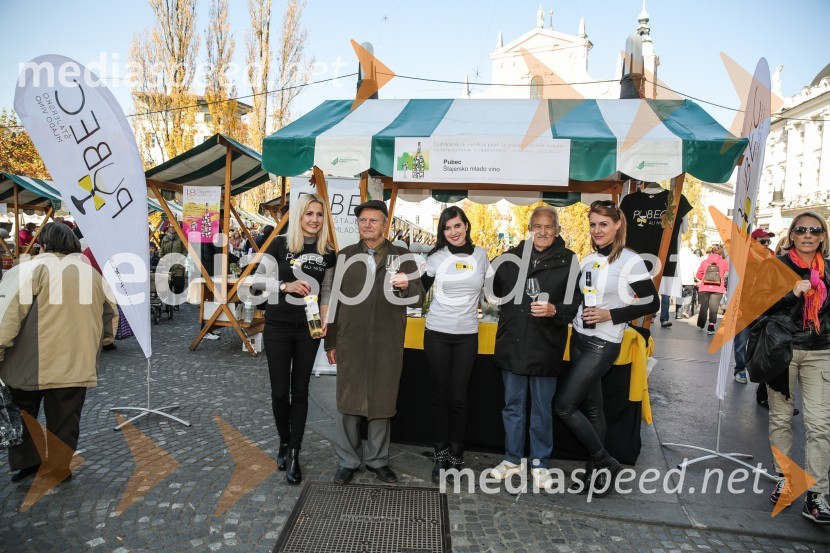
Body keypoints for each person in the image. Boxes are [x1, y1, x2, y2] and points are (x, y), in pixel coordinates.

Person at [555, 200, 659, 497]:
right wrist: (554, 312)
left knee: (564, 405)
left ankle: (605, 461)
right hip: (579, 338)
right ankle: (594, 473)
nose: (597, 230)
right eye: (593, 224)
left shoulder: (630, 261)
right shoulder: (587, 260)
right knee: (592, 407)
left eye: (603, 224)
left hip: (604, 342)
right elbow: (576, 301)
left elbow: (652, 303)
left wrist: (611, 315)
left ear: (617, 225)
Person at [0, 223, 116, 484]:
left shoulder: (28, 269)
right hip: (76, 362)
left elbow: (6, 317)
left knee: (24, 412)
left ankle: (27, 462)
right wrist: (98, 342)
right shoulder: (92, 275)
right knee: (66, 418)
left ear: (44, 243)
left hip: (27, 363)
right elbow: (110, 317)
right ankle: (59, 468)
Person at [324, 199, 424, 485]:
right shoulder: (344, 256)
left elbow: (418, 297)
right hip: (350, 340)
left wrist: (407, 286)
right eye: (363, 220)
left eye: (373, 220)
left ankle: (378, 461)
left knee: (381, 403)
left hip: (386, 342)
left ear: (385, 225)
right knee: (347, 403)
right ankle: (347, 460)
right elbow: (334, 303)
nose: (367, 225)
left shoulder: (402, 256)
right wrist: (330, 342)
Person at [488, 205, 581, 490]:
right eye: (537, 227)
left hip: (545, 345)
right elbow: (491, 291)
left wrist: (555, 310)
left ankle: (540, 462)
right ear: (530, 229)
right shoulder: (511, 258)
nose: (542, 232)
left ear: (557, 230)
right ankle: (512, 457)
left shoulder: (569, 260)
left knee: (541, 409)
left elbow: (575, 303)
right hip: (513, 344)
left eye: (548, 227)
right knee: (512, 407)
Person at [754, 211, 830, 523]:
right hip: (781, 352)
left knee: (819, 425)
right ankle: (786, 479)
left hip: (819, 352)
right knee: (781, 420)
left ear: (822, 236)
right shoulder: (776, 266)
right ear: (793, 235)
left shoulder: (828, 271)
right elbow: (757, 303)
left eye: (814, 230)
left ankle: (817, 493)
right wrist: (791, 293)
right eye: (801, 230)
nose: (808, 235)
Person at [260, 193, 337, 485]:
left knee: (301, 390)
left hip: (309, 329)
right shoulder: (279, 243)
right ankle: (283, 439)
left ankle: (294, 451)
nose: (315, 219)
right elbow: (257, 280)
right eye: (309, 214)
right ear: (299, 216)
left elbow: (327, 289)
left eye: (319, 214)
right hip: (277, 326)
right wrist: (285, 285)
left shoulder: (327, 250)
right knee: (280, 392)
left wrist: (325, 316)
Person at [421, 206, 492, 483]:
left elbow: (493, 293)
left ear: (466, 226)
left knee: (460, 399)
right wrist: (399, 284)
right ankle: (440, 456)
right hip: (437, 332)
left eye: (457, 226)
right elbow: (418, 290)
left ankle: (456, 455)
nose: (453, 232)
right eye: (447, 228)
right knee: (440, 398)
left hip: (467, 335)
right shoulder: (436, 257)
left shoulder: (482, 255)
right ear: (443, 231)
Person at [733, 229, 775, 384]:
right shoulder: (743, 259)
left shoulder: (773, 258)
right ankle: (740, 370)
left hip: (765, 308)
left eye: (767, 241)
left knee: (763, 344)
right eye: (762, 241)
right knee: (741, 343)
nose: (766, 244)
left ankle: (761, 374)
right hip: (744, 307)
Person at [695, 245, 729, 335]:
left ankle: (701, 324)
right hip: (718, 288)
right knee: (714, 309)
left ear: (711, 252)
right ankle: (711, 327)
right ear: (720, 253)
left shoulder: (704, 262)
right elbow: (728, 272)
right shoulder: (724, 262)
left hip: (704, 287)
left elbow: (698, 275)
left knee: (704, 307)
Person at [159, 224, 187, 310]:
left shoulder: (181, 238)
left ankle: (177, 301)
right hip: (167, 266)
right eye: (171, 227)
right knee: (168, 285)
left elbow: (185, 251)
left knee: (178, 285)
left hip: (178, 266)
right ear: (169, 228)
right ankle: (170, 303)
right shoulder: (165, 239)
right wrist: (162, 259)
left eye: (174, 227)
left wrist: (180, 259)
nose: (172, 229)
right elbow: (162, 250)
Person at [677, 240, 699, 319]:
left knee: (678, 295)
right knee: (688, 295)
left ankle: (678, 313)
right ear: (689, 246)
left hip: (678, 279)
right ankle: (685, 311)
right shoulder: (693, 256)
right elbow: (696, 269)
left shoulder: (677, 255)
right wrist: (697, 279)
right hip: (688, 279)